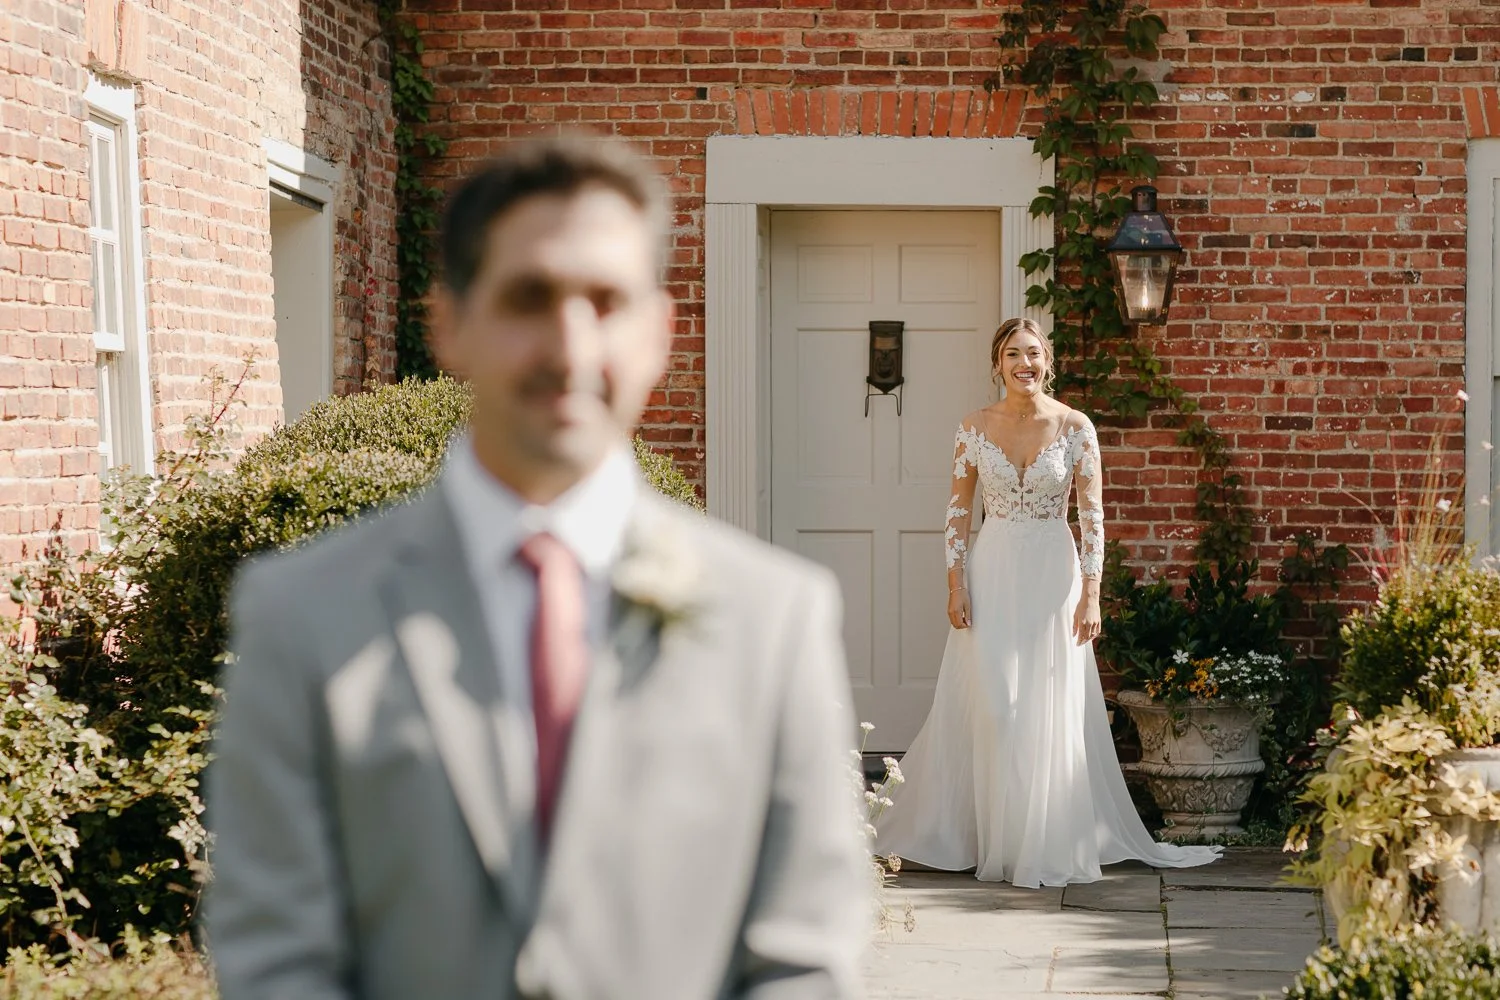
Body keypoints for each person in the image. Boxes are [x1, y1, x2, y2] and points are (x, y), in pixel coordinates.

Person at [206, 135, 871, 1000]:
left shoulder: (776, 615)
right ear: (449, 323)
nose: (569, 345)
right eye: (530, 297)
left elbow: (804, 959)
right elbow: (275, 960)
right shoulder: (301, 610)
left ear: (660, 331)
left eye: (606, 299)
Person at [874, 317, 1220, 887]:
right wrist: (955, 584)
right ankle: (990, 839)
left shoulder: (1076, 427)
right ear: (997, 363)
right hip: (994, 569)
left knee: (1045, 705)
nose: (1024, 364)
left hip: (1052, 575)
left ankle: (1039, 843)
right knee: (995, 704)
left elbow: (1093, 517)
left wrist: (1092, 595)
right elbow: (958, 512)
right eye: (1012, 354)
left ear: (1047, 361)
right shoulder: (972, 428)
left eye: (1033, 354)